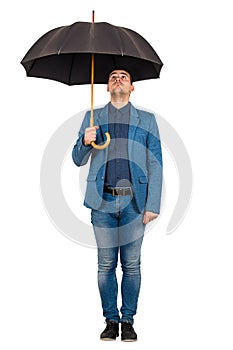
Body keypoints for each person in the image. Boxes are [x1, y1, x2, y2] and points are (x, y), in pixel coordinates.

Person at [72, 69, 163, 341]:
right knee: (106, 264)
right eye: (113, 76)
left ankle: (129, 320)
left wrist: (153, 204)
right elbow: (78, 159)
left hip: (135, 203)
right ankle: (111, 320)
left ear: (132, 87)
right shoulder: (93, 119)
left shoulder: (147, 120)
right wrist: (85, 142)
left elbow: (155, 164)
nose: (118, 79)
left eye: (124, 76)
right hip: (103, 203)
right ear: (106, 87)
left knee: (132, 265)